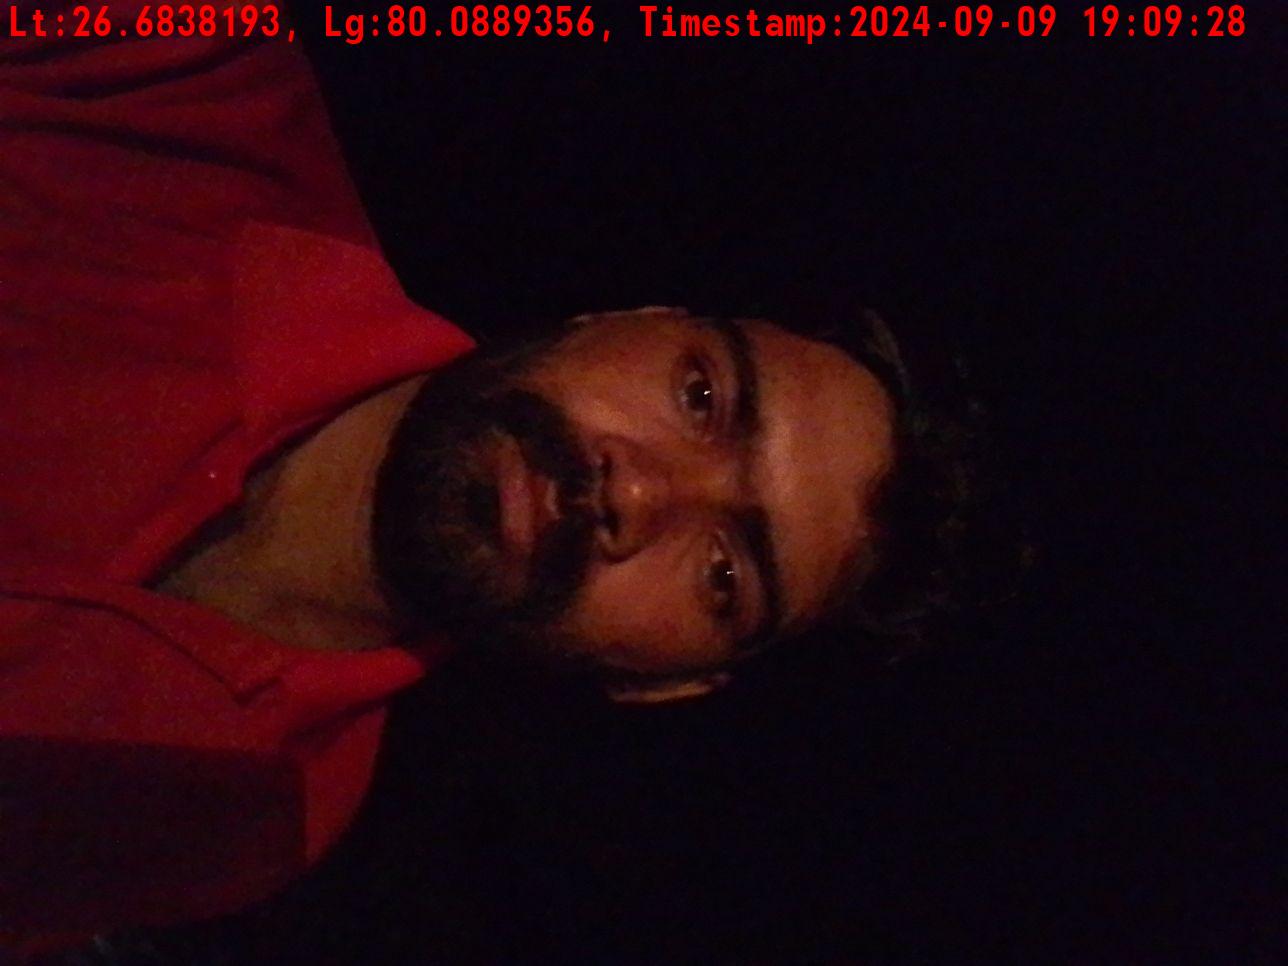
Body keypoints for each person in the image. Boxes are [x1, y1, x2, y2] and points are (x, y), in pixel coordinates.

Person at [0, 3, 976, 955]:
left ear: (663, 685)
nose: (638, 495)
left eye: (724, 574)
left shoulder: (258, 821)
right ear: (623, 320)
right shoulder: (188, 91)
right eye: (700, 396)